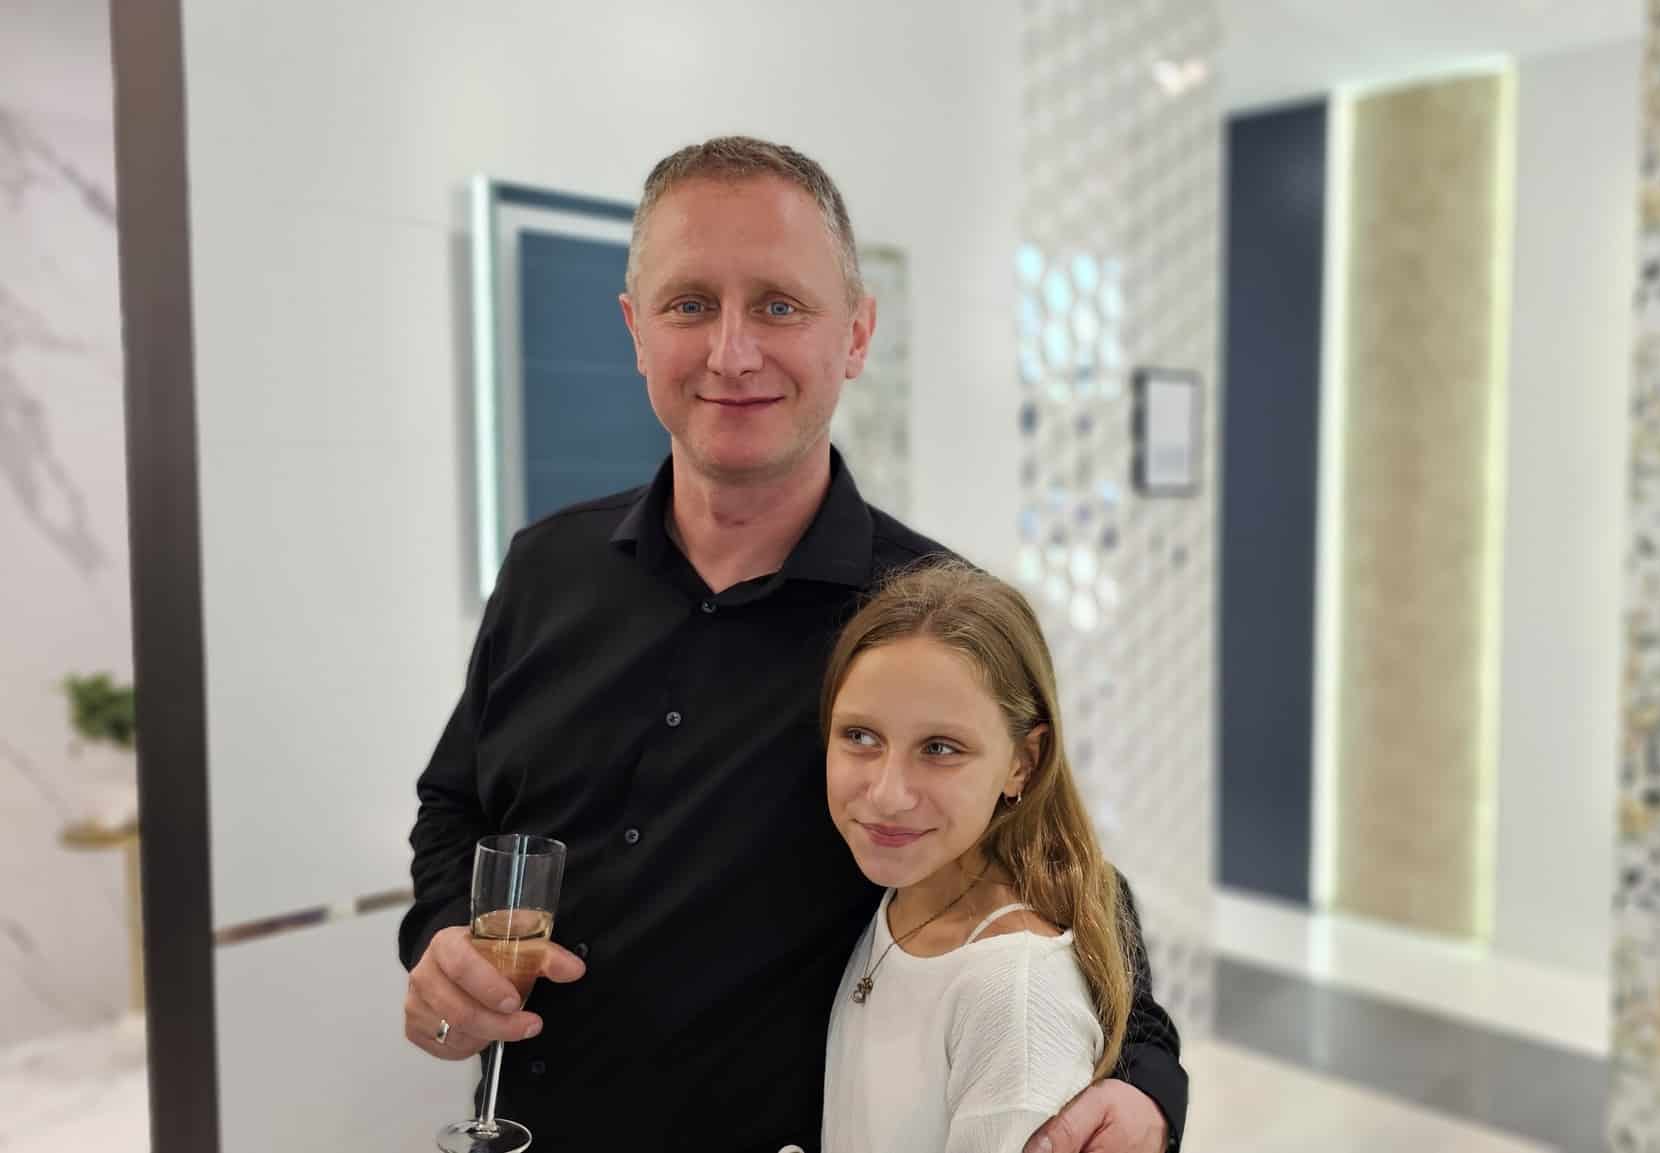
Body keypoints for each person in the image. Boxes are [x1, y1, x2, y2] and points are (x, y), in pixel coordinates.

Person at [399, 136, 1186, 1153]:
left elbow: (1064, 874)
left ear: (854, 335)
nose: (731, 352)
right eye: (690, 304)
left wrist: (1145, 1078)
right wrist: (441, 937)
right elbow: (454, 806)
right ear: (636, 331)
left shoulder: (924, 619)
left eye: (778, 305)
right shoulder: (545, 564)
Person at [819, 560, 1129, 1152]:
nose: (886, 794)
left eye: (940, 748)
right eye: (860, 737)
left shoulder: (1015, 994)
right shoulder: (906, 902)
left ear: (1023, 764)